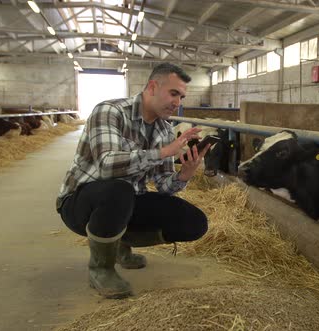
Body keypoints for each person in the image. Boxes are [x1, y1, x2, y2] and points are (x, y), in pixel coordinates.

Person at [56, 63, 210, 299]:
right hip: (81, 202)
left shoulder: (165, 130)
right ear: (152, 87)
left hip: (125, 202)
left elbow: (163, 186)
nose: (177, 103)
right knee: (119, 189)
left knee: (194, 222)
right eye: (173, 93)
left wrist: (184, 175)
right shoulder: (109, 111)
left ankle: (117, 245)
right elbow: (107, 165)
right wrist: (162, 153)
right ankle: (101, 268)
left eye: (181, 97)